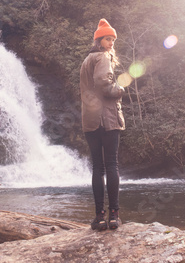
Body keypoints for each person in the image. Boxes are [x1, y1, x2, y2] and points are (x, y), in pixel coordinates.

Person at [80, 18, 125, 231]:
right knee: (112, 165)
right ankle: (114, 216)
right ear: (99, 40)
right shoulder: (103, 57)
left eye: (113, 40)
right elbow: (105, 85)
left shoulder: (86, 60)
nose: (111, 43)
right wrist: (120, 89)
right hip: (106, 119)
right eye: (108, 39)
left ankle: (99, 218)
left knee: (97, 168)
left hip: (90, 119)